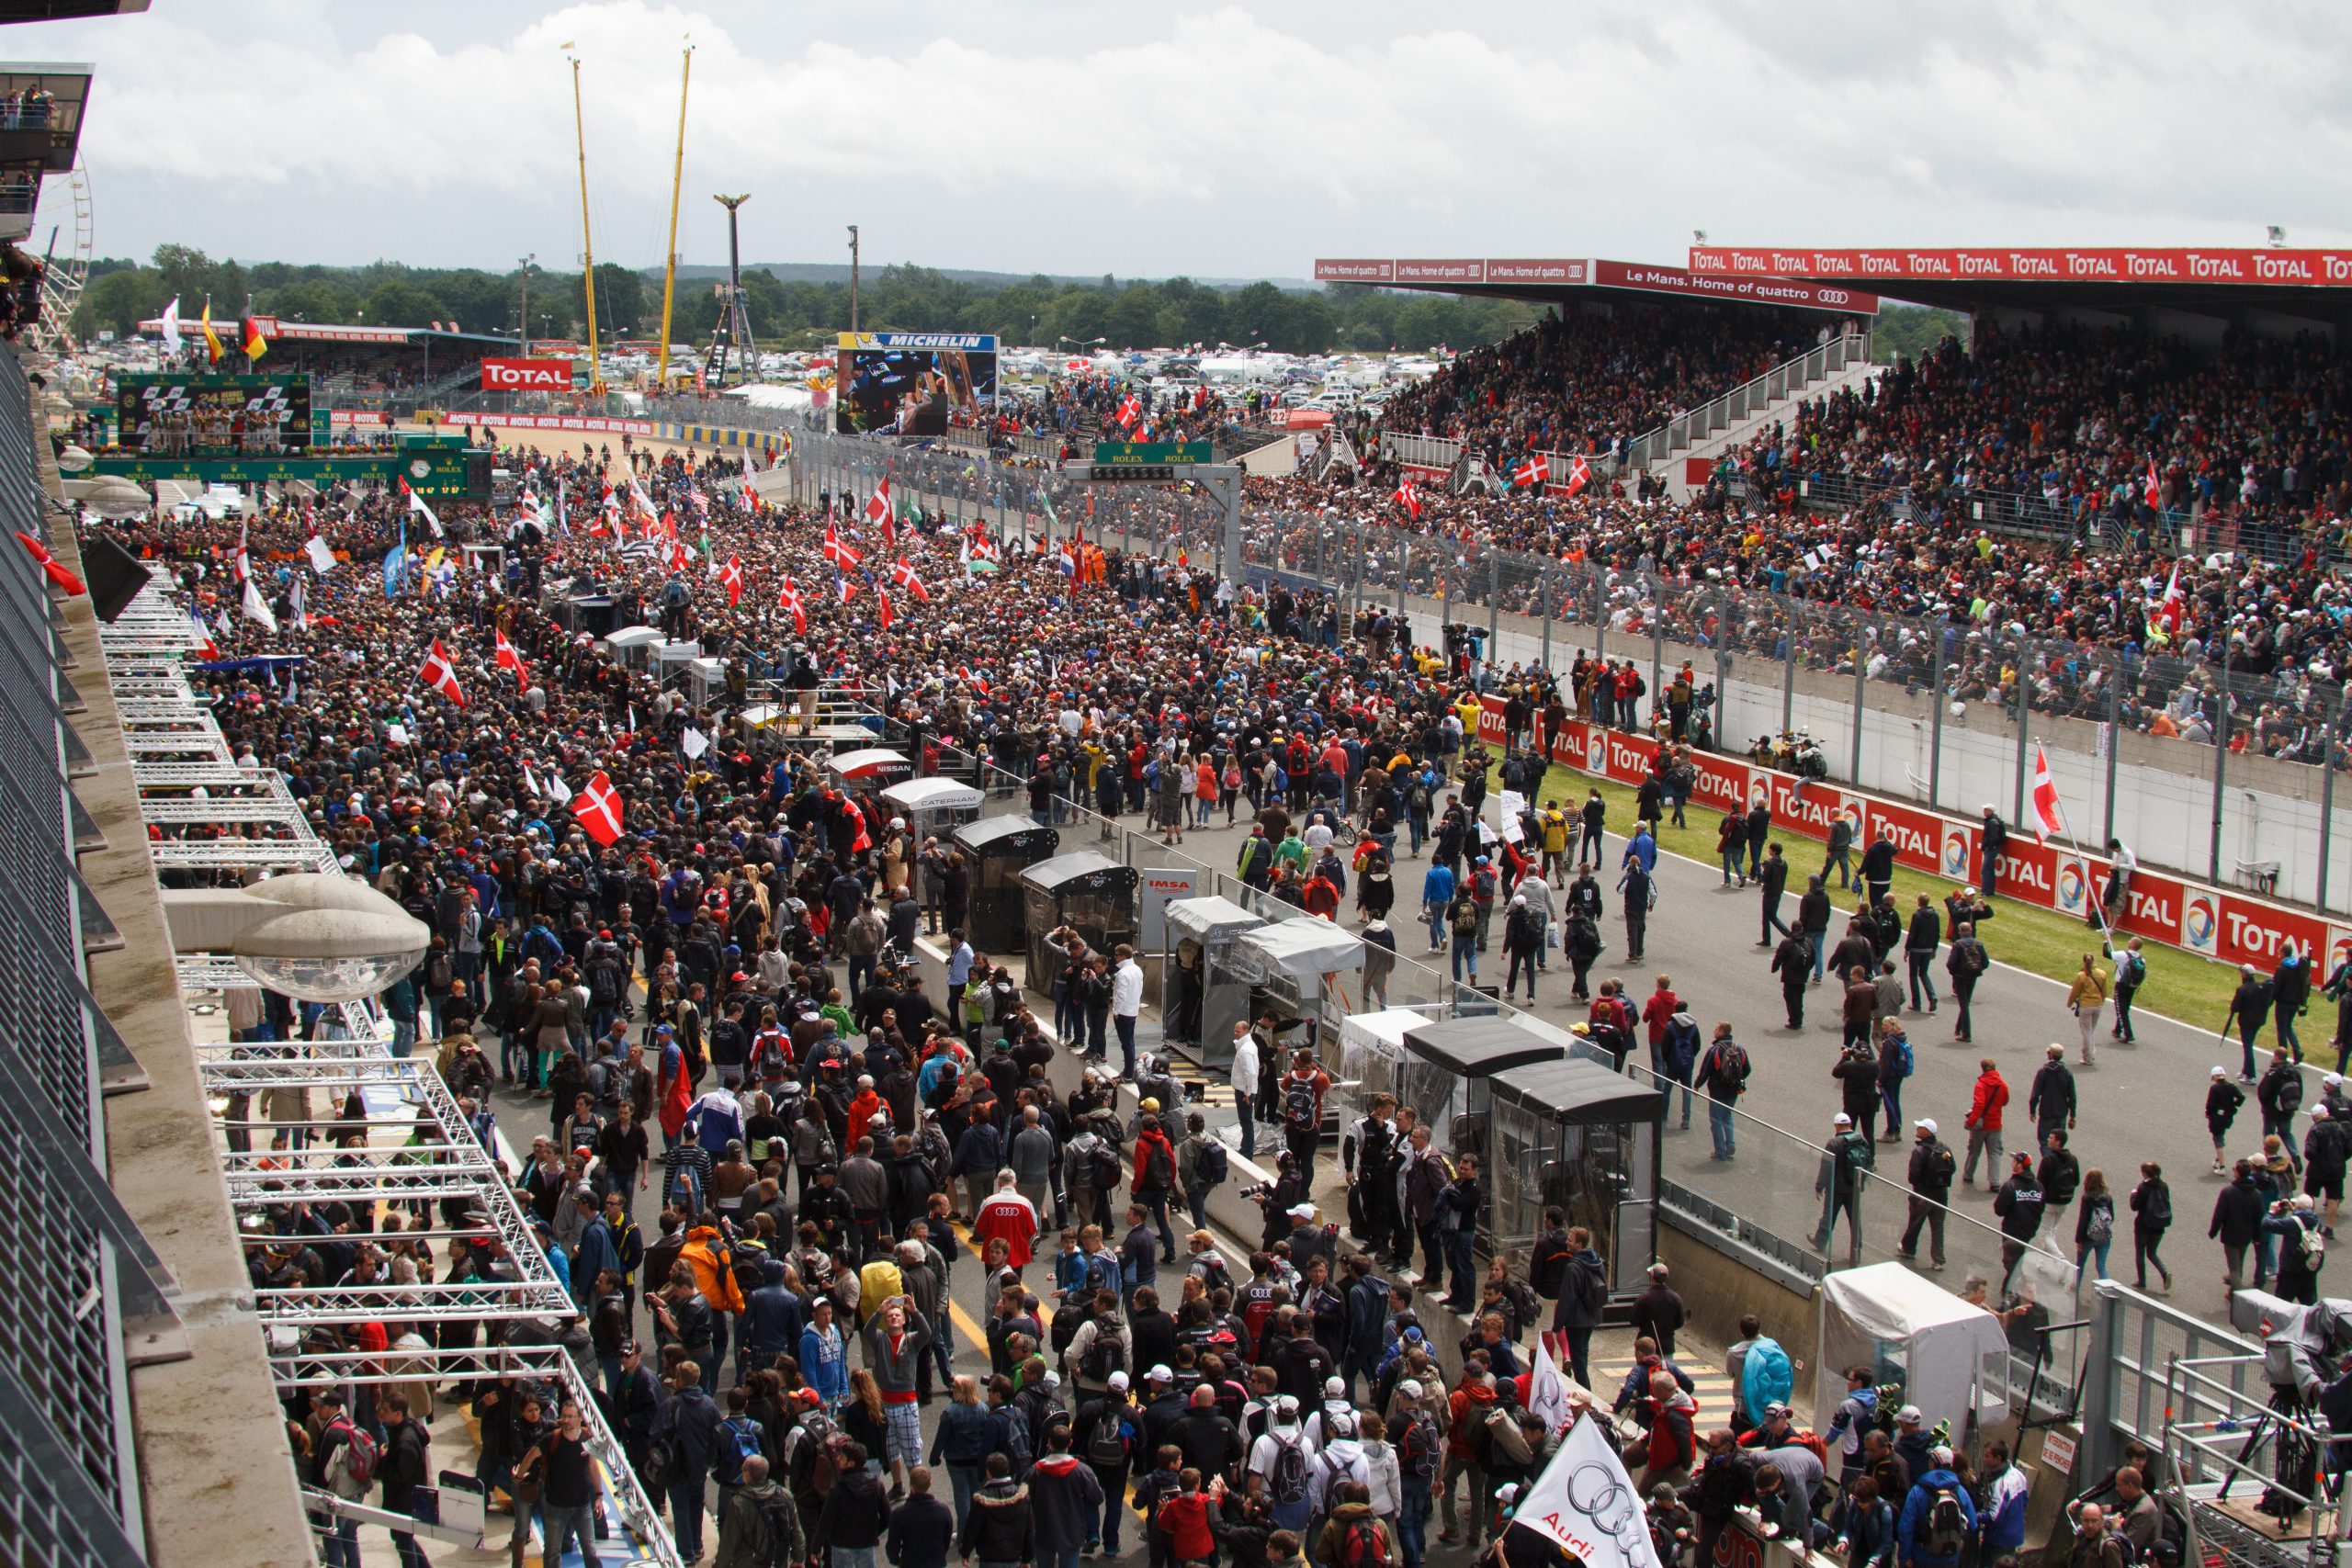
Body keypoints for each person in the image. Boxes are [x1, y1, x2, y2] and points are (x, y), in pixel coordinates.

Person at [1895, 1448, 1976, 1568]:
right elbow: (1973, 1524)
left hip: (1922, 1556)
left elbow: (1906, 1528)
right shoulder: (1960, 1491)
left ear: (1933, 1463)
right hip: (1950, 1558)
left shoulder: (1918, 1491)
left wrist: (1905, 1557)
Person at [1898, 1119, 1954, 1269]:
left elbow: (1913, 1175)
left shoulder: (1919, 1151)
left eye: (1921, 1127)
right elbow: (1952, 1168)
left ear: (1927, 1132)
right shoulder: (1944, 1149)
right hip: (1941, 1195)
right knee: (1938, 1227)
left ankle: (1908, 1249)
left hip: (1922, 1194)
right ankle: (1938, 1260)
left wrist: (1918, 1183)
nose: (1917, 1128)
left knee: (1915, 1223)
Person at [2130, 1161, 2174, 1293]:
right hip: (2158, 1226)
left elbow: (2134, 1206)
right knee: (2152, 1252)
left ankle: (2142, 1281)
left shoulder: (2143, 1187)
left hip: (2143, 1226)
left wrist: (2133, 1195)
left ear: (2145, 1173)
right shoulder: (2164, 1186)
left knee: (2140, 1253)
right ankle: (2164, 1272)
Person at [2067, 953, 2110, 1066]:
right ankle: (2091, 1052)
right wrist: (2101, 1001)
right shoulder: (2102, 974)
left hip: (2086, 1005)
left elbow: (2075, 992)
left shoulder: (2082, 975)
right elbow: (2105, 991)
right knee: (2091, 1030)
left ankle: (2088, 1057)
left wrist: (2069, 1003)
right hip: (2098, 1005)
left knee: (2086, 1032)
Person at [2111, 936, 2147, 1043]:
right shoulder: (2142, 959)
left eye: (2130, 940)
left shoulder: (2123, 955)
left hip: (2121, 985)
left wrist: (2105, 941)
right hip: (2132, 986)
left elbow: (2106, 953)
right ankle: (2117, 1030)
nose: (2128, 941)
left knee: (2120, 1009)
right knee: (2124, 1008)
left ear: (2132, 945)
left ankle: (2128, 1033)